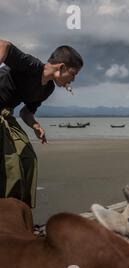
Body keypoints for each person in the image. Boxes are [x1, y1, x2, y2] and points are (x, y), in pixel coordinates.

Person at [0, 40, 83, 207]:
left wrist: (35, 126)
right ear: (61, 67)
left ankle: (22, 211)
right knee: (11, 165)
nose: (72, 80)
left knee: (28, 158)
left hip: (6, 115)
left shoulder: (47, 89)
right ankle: (7, 216)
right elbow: (4, 45)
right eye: (73, 74)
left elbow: (26, 112)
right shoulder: (32, 66)